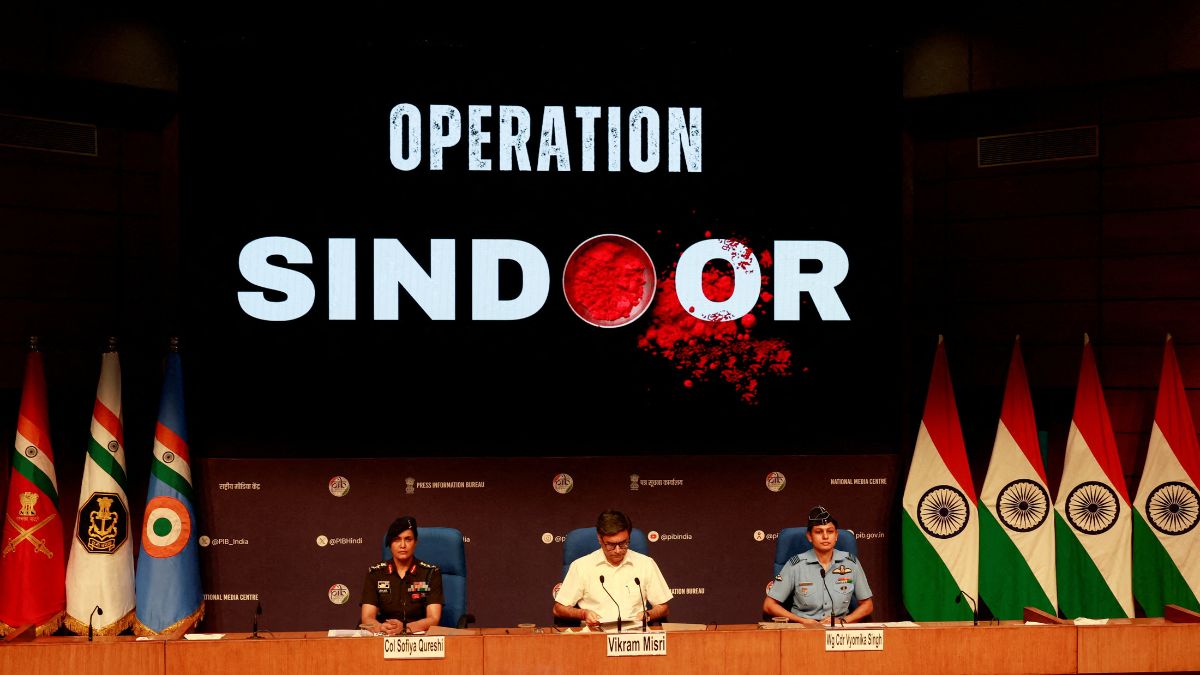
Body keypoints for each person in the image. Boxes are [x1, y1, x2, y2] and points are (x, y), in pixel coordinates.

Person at [553, 510, 672, 630]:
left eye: (623, 543)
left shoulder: (646, 563)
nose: (618, 550)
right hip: (595, 633)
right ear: (600, 539)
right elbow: (558, 609)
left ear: (629, 537)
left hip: (636, 634)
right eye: (611, 545)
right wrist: (583, 614)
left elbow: (663, 608)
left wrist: (648, 615)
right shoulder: (581, 566)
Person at [763, 505, 874, 625]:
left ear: (836, 536)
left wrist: (843, 621)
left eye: (830, 531)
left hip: (839, 629)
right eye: (819, 532)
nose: (825, 536)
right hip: (804, 628)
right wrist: (802, 621)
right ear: (809, 536)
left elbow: (867, 605)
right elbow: (769, 605)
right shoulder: (795, 565)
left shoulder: (851, 563)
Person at [360, 515, 443, 634]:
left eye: (408, 539)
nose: (402, 545)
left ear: (415, 542)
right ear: (390, 544)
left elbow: (433, 618)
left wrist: (405, 628)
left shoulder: (431, 573)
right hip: (385, 636)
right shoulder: (375, 573)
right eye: (397, 539)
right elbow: (367, 617)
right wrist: (381, 627)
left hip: (419, 637)